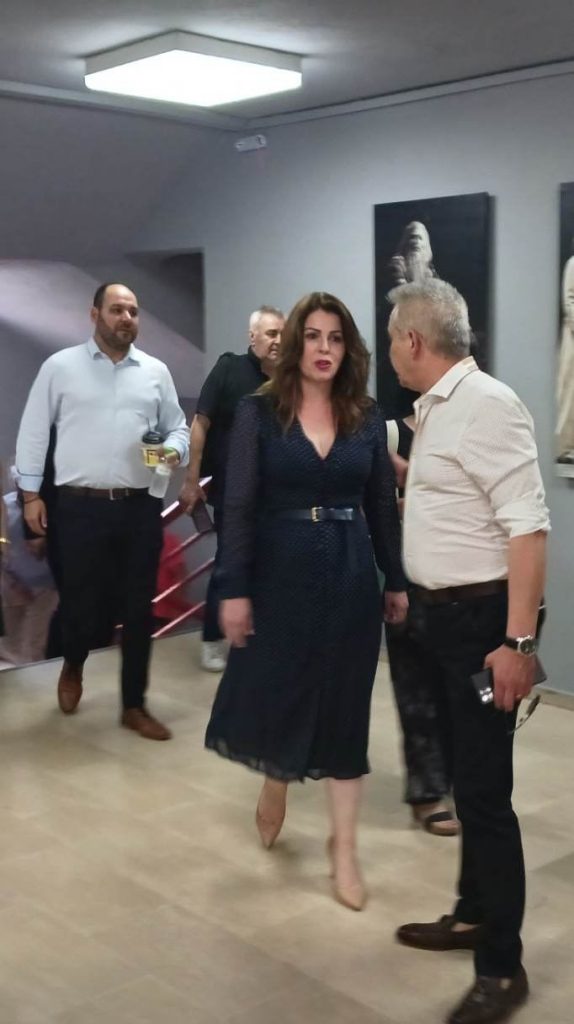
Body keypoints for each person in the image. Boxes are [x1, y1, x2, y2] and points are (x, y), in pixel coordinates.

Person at [205, 292, 408, 911]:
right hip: (279, 575)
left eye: (336, 338)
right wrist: (234, 587)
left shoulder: (365, 416)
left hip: (349, 576)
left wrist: (395, 578)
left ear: (349, 349)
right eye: (314, 336)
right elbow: (239, 505)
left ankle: (343, 849)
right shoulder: (259, 412)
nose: (324, 348)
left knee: (346, 709)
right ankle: (278, 777)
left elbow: (380, 505)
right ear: (295, 343)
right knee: (285, 690)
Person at [387, 280, 549, 1024]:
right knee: (462, 778)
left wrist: (517, 644)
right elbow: (461, 504)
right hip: (438, 621)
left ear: (414, 341)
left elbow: (528, 529)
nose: (391, 352)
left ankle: (502, 968)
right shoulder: (437, 409)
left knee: (484, 798)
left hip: (483, 627)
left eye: (393, 338)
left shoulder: (487, 404)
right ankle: (472, 913)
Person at [15, 283, 189, 740]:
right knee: (80, 606)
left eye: (133, 311)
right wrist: (31, 496)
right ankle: (73, 664)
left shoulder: (156, 372)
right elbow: (34, 432)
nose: (126, 318)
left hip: (139, 508)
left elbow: (178, 428)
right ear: (95, 315)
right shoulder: (60, 368)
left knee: (138, 607)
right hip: (78, 508)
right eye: (117, 310)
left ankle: (134, 705)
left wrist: (174, 449)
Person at [179, 304, 285, 672]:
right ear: (252, 337)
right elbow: (200, 423)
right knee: (230, 563)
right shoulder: (229, 368)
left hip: (277, 496)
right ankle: (212, 638)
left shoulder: (289, 381)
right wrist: (191, 480)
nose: (278, 341)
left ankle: (260, 639)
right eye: (271, 333)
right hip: (233, 493)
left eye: (283, 334)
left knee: (273, 567)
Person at [385, 417, 457, 837]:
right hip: (410, 579)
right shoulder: (390, 433)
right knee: (417, 693)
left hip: (467, 580)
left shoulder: (471, 427)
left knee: (469, 692)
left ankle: (460, 777)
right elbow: (368, 502)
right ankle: (427, 791)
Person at [0, 478, 58, 665]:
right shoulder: (7, 507)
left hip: (47, 586)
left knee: (32, 645)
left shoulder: (55, 508)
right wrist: (9, 583)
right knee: (10, 644)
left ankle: (31, 671)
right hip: (10, 580)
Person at [555, 245, 574, 466]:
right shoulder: (573, 264)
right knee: (570, 393)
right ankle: (566, 447)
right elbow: (569, 299)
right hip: (573, 338)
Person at [388, 220, 437, 287]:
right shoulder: (396, 265)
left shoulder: (431, 271)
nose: (416, 241)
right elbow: (401, 290)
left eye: (420, 238)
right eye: (413, 237)